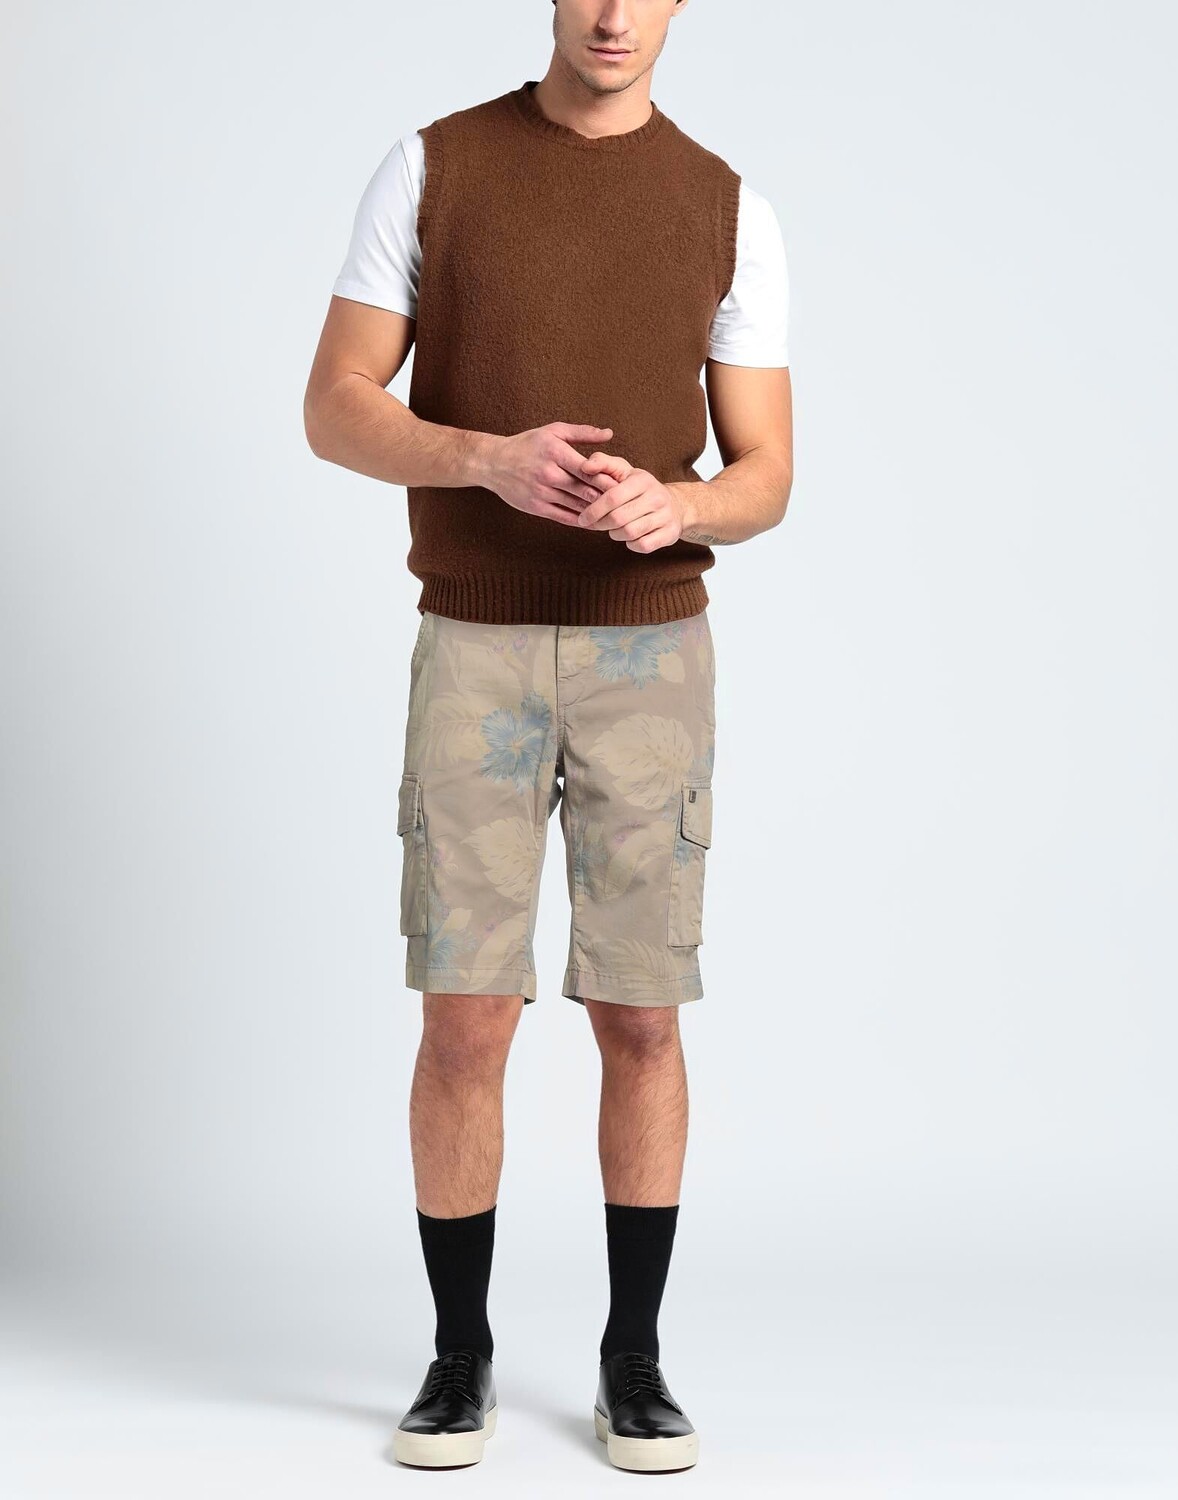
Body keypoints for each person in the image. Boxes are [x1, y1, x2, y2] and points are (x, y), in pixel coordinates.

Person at [303, 0, 792, 1473]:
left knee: (641, 1013)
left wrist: (679, 505)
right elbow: (334, 407)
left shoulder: (726, 206)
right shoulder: (433, 167)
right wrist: (484, 459)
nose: (612, 14)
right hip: (476, 642)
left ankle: (634, 1359)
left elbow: (766, 472)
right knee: (466, 1013)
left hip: (653, 650)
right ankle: (457, 1357)